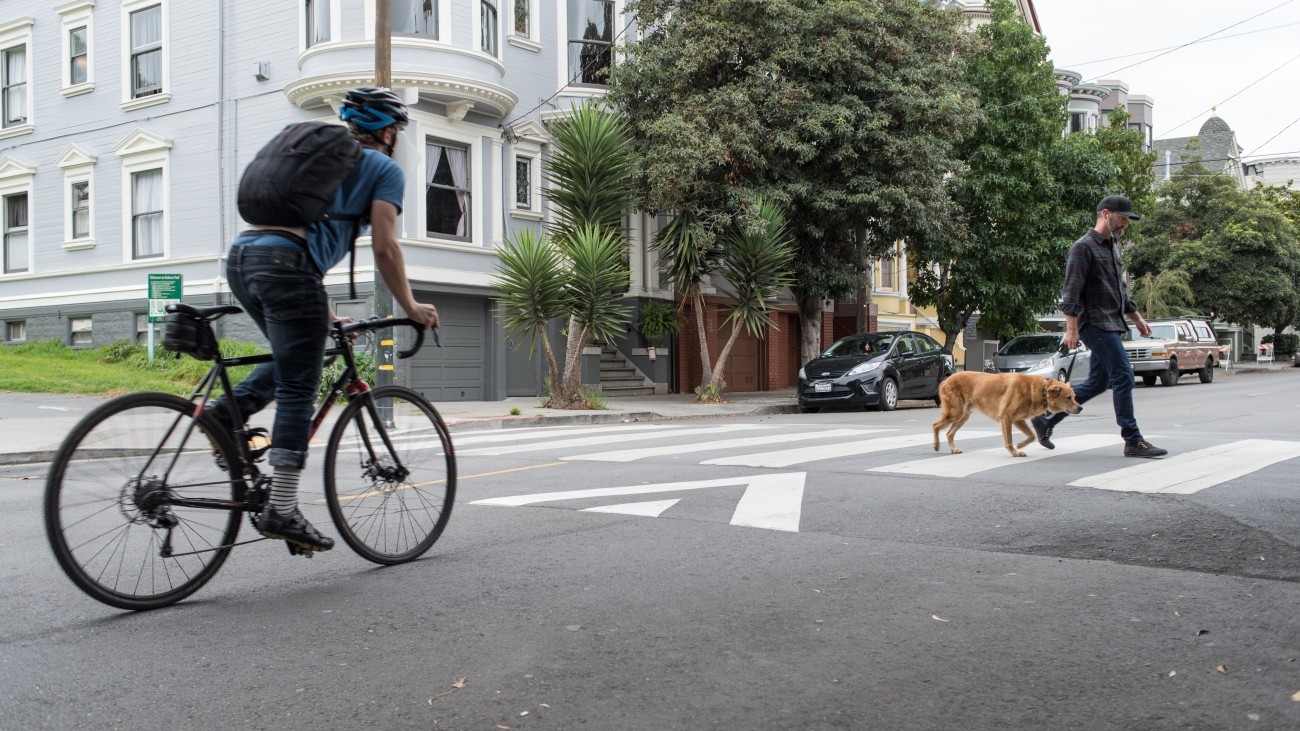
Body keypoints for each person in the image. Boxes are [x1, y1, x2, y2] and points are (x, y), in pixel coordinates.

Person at [217, 87, 440, 552]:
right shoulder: (381, 168)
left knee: (299, 353)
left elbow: (304, 234)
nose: (399, 138)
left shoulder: (318, 163)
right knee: (301, 384)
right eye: (398, 130)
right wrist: (411, 307)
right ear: (387, 132)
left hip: (243, 258)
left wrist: (323, 310)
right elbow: (385, 247)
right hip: (287, 267)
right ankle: (281, 506)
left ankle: (227, 413)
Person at [1031, 195, 1167, 459]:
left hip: (1113, 322)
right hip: (1094, 323)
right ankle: (1132, 439)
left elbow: (1120, 290)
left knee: (1097, 381)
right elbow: (1071, 294)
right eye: (1122, 217)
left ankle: (1046, 419)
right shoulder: (1083, 248)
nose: (1126, 222)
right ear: (1106, 214)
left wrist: (1136, 318)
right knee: (1124, 375)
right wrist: (1072, 329)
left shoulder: (1112, 247)